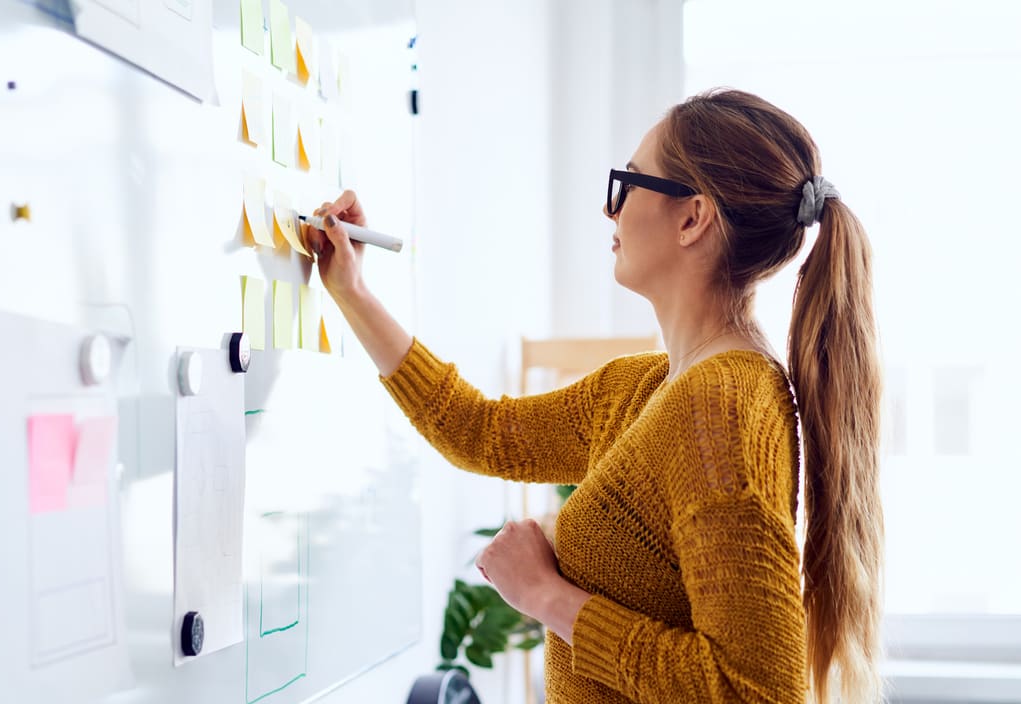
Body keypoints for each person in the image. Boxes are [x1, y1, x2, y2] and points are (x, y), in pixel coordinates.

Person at [303, 88, 883, 704]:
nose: (611, 209)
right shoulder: (649, 389)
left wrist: (547, 597)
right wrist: (353, 291)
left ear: (692, 218)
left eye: (630, 183)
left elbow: (757, 693)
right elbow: (479, 432)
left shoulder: (721, 410)